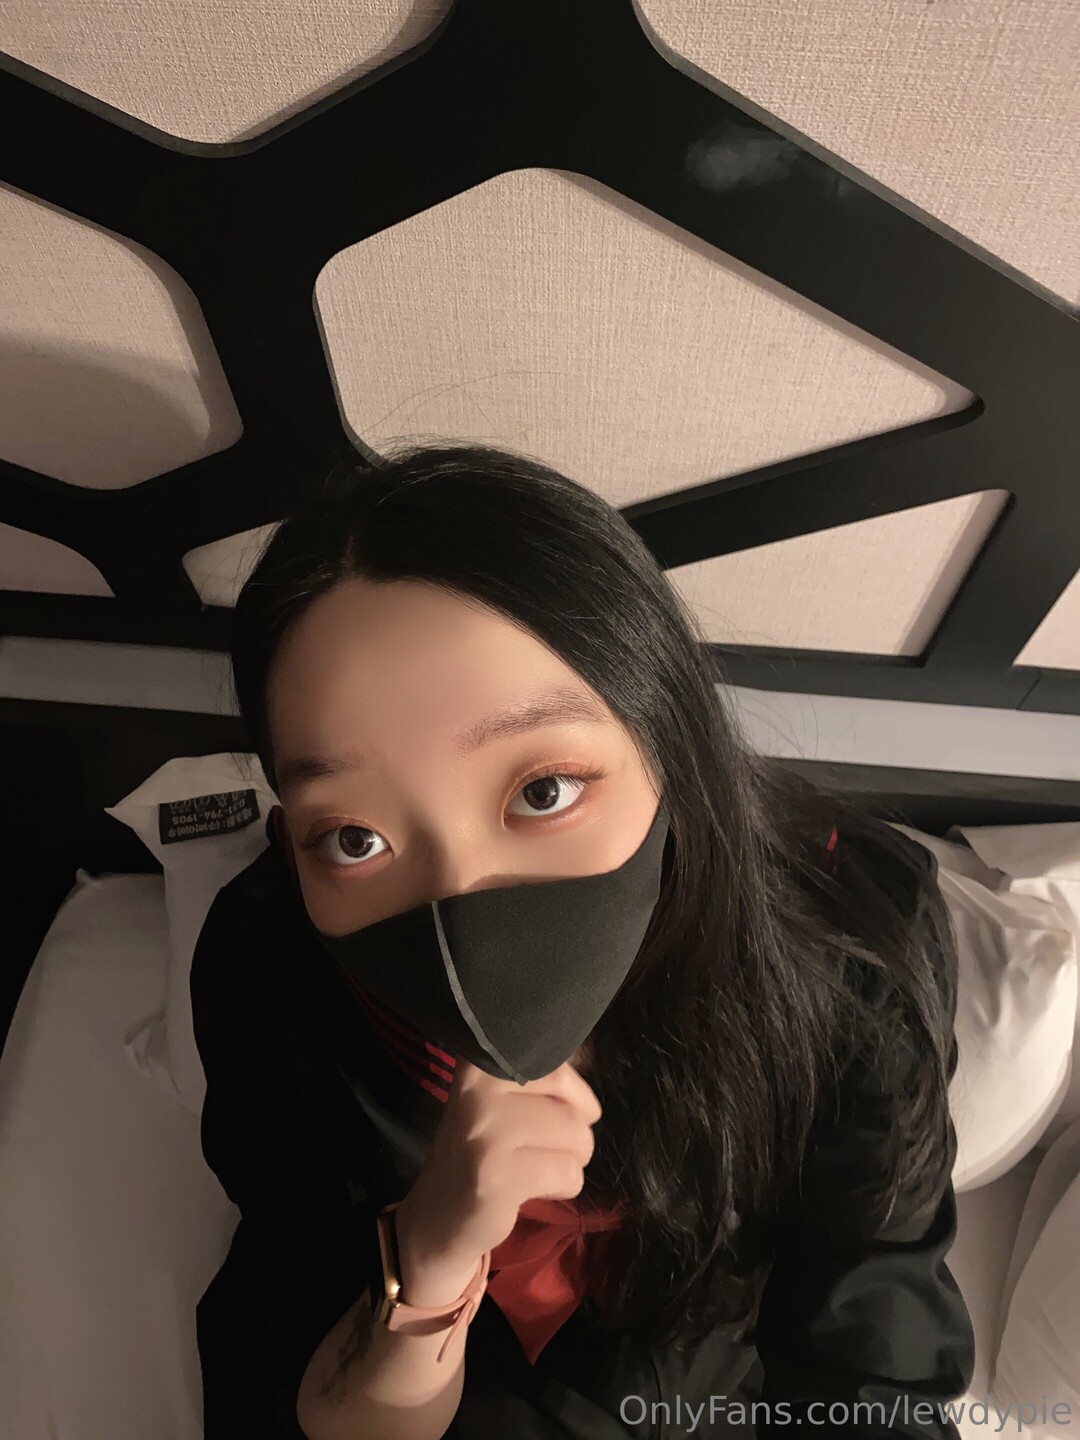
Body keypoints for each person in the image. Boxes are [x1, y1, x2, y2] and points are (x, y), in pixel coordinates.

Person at [190, 441, 975, 1440]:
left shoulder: (843, 946)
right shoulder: (271, 965)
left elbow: (872, 1365)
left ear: (665, 738)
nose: (466, 913)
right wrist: (426, 1259)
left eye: (544, 790)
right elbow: (301, 1361)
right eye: (354, 838)